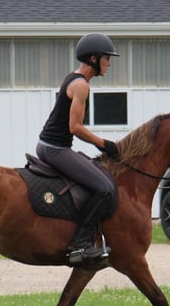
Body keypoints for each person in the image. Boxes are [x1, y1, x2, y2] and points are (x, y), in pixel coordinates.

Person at [37, 33, 121, 265]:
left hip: (48, 145)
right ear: (93, 59)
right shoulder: (81, 86)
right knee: (104, 187)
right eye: (106, 58)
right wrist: (104, 144)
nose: (109, 63)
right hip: (55, 148)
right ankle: (80, 246)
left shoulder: (72, 78)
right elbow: (75, 127)